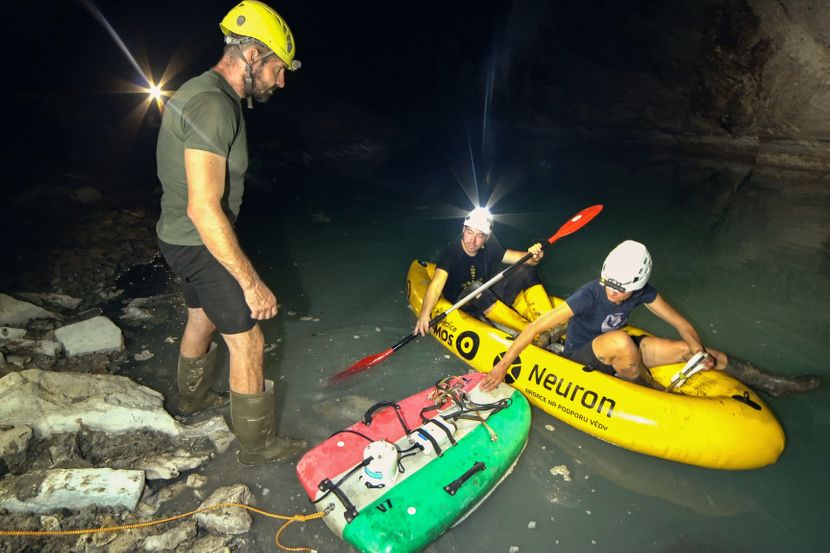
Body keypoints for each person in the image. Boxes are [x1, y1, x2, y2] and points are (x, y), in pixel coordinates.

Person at [155, 0, 305, 465]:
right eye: (278, 69)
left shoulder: (201, 92)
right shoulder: (213, 106)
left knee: (201, 316)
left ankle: (192, 400)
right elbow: (204, 207)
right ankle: (257, 448)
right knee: (249, 340)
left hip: (177, 237)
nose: (281, 82)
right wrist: (250, 282)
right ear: (253, 56)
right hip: (198, 242)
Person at [481, 240, 728, 392]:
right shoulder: (589, 295)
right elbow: (535, 327)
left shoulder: (643, 292)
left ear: (637, 287)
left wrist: (698, 351)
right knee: (621, 340)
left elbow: (680, 323)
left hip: (621, 352)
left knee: (704, 353)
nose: (612, 291)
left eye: (620, 289)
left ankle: (745, 376)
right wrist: (501, 368)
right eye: (609, 283)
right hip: (582, 354)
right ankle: (648, 389)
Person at [413, 207, 560, 346]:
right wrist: (424, 314)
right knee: (475, 289)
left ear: (487, 238)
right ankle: (534, 333)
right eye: (470, 232)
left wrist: (534, 256)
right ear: (463, 229)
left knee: (525, 270)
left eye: (480, 236)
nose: (472, 240)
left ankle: (550, 324)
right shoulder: (451, 253)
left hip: (485, 297)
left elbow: (520, 259)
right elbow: (436, 286)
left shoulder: (490, 245)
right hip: (462, 305)